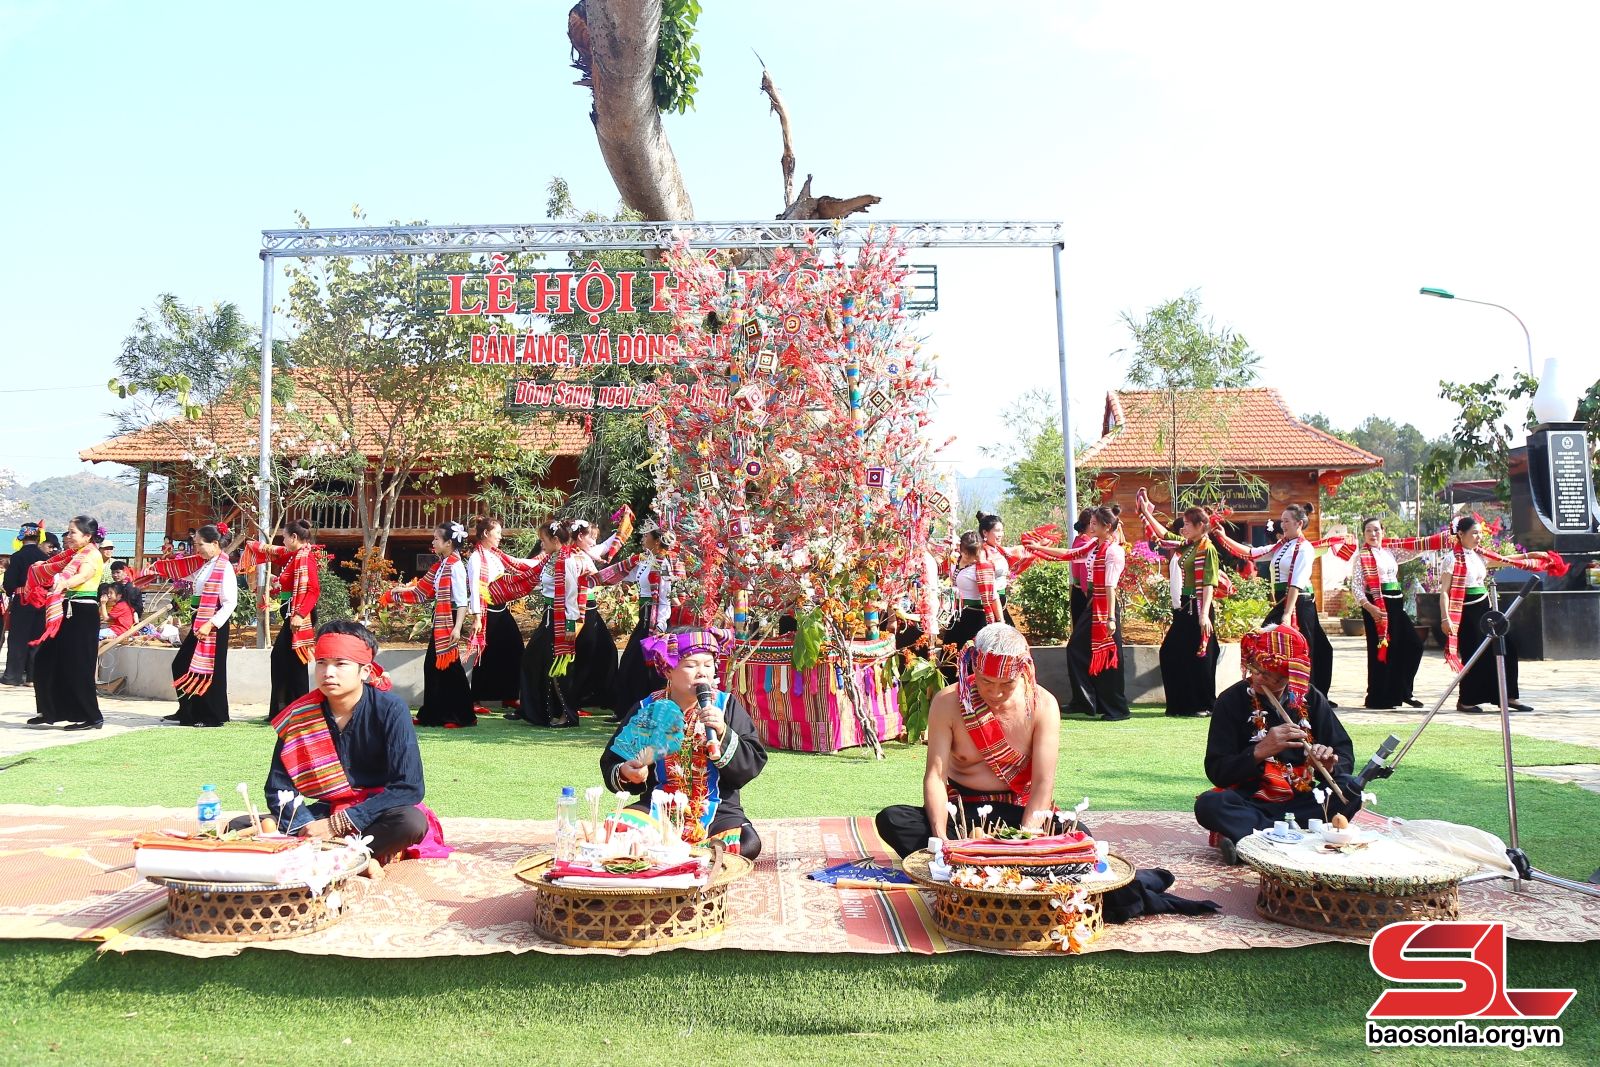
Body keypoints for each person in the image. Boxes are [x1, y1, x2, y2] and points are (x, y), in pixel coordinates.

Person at [243, 620, 448, 872]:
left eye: (340, 664)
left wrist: (338, 824)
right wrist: (307, 827)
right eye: (321, 663)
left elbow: (408, 787)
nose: (328, 673)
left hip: (379, 812)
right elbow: (278, 789)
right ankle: (354, 857)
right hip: (326, 812)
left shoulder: (391, 709)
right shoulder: (300, 715)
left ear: (365, 671)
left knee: (411, 822)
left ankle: (337, 855)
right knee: (243, 824)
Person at [875, 623, 1062, 857]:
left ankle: (983, 854)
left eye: (1007, 684)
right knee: (894, 819)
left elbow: (1043, 783)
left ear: (1024, 672)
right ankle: (967, 852)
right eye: (986, 681)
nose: (995, 693)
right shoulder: (948, 702)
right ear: (973, 665)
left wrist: (1024, 841)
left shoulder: (1043, 705)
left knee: (1076, 833)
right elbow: (935, 776)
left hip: (1017, 812)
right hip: (962, 811)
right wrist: (940, 837)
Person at [1194, 626, 1362, 864]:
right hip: (1251, 800)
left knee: (1350, 790)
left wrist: (1329, 765)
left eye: (1270, 674)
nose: (1258, 677)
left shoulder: (1310, 698)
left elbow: (1343, 752)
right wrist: (1260, 751)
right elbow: (1217, 770)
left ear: (1289, 676)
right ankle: (1293, 837)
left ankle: (1253, 838)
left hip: (1301, 799)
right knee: (1209, 804)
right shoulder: (1231, 700)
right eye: (1255, 669)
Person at [600, 627, 768, 857]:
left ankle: (670, 853)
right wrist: (626, 772)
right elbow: (613, 761)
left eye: (708, 665)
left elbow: (752, 763)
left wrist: (722, 732)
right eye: (691, 665)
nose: (702, 673)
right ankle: (687, 855)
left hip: (718, 809)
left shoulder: (726, 705)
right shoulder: (648, 708)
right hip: (658, 806)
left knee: (747, 843)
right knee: (618, 830)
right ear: (668, 670)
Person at [1210, 503, 1337, 706]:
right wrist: (1223, 538)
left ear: (1299, 523)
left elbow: (1296, 581)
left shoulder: (1304, 548)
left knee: (1305, 648)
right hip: (1283, 602)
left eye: (1286, 521)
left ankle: (1309, 696)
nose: (1282, 524)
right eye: (1282, 520)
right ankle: (1269, 689)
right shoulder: (1282, 545)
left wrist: (1287, 613)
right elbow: (1252, 553)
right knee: (1268, 641)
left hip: (1298, 603)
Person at [1440, 515, 1564, 714]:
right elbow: (1444, 591)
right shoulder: (1451, 559)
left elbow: (1503, 560)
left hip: (1485, 610)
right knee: (1474, 655)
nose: (1478, 537)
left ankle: (1508, 696)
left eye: (1480, 533)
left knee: (1507, 647)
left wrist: (1530, 555)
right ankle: (1467, 700)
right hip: (1465, 612)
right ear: (1461, 535)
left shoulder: (1478, 554)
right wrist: (1445, 618)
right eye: (1474, 533)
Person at [1031, 505, 1130, 721]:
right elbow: (1069, 554)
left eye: (1095, 523)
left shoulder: (1113, 551)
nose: (1090, 526)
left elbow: (1111, 585)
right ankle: (1087, 701)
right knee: (1080, 649)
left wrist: (1111, 618)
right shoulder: (1095, 546)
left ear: (1107, 527)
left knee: (1107, 656)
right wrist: (1038, 548)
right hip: (1094, 605)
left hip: (1105, 608)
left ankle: (1116, 708)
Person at [1135, 492, 1221, 718]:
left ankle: (1204, 704)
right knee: (1172, 653)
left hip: (1198, 606)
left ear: (1200, 525)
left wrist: (1204, 614)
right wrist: (1146, 513)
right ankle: (1183, 704)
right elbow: (1164, 535)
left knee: (1201, 657)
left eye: (1187, 524)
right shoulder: (1188, 545)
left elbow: (1210, 582)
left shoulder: (1207, 548)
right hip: (1185, 607)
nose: (1183, 528)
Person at [382, 522, 474, 728]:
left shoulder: (456, 567)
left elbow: (461, 601)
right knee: (435, 667)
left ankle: (460, 716)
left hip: (449, 619)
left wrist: (457, 628)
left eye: (436, 539)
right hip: (441, 618)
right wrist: (400, 591)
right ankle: (435, 715)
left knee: (450, 668)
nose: (433, 542)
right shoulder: (440, 566)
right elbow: (423, 591)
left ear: (448, 543)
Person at [25, 517, 106, 731]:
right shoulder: (74, 554)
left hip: (82, 612)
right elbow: (54, 567)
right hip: (68, 609)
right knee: (46, 658)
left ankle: (91, 716)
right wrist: (41, 568)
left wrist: (64, 584)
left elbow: (83, 575)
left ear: (87, 536)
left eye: (73, 533)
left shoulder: (92, 555)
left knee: (78, 664)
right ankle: (51, 711)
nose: (68, 536)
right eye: (68, 532)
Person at [1347, 518, 1434, 710]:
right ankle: (1380, 697)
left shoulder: (1390, 552)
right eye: (1368, 530)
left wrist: (1436, 541)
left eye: (1376, 530)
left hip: (1395, 604)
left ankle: (1403, 691)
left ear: (1383, 532)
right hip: (1376, 606)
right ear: (1364, 534)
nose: (1373, 534)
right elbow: (1357, 587)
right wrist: (1370, 608)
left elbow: (1414, 550)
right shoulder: (1361, 557)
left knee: (1413, 646)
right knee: (1382, 651)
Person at [464, 515, 542, 715]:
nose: (500, 536)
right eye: (497, 533)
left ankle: (509, 695)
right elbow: (475, 588)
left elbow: (519, 565)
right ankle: (474, 699)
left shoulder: (496, 554)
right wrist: (477, 618)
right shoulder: (476, 558)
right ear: (486, 534)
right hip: (486, 611)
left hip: (501, 609)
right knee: (484, 655)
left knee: (514, 648)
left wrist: (545, 556)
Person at [602, 526, 680, 721]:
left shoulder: (662, 564)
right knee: (632, 663)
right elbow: (625, 573)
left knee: (646, 666)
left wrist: (660, 624)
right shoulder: (645, 559)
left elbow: (665, 597)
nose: (643, 537)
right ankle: (628, 710)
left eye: (646, 535)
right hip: (645, 616)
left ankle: (648, 711)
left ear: (656, 541)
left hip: (655, 619)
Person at [244, 520, 321, 717]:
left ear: (294, 537)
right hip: (292, 613)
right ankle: (286, 709)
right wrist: (253, 546)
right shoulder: (293, 556)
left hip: (298, 616)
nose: (283, 541)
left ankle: (296, 710)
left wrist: (300, 614)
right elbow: (274, 553)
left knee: (290, 661)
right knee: (285, 660)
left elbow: (313, 590)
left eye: (285, 537)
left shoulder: (305, 558)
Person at [165, 524, 236, 727]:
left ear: (214, 544)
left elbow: (230, 602)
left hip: (213, 624)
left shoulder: (225, 567)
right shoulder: (207, 564)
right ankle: (188, 710)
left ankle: (210, 715)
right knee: (183, 665)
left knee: (207, 670)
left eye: (199, 544)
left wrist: (210, 624)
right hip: (201, 620)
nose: (196, 548)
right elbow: (189, 575)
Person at [556, 518, 622, 715]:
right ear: (580, 537)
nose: (594, 541)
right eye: (590, 537)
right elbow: (570, 594)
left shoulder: (584, 553)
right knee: (583, 655)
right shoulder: (570, 558)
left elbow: (604, 547)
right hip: (580, 612)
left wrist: (622, 530)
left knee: (606, 650)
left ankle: (595, 697)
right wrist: (572, 623)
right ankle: (574, 702)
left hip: (590, 609)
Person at [513, 520, 567, 726]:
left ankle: (564, 714)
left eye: (543, 540)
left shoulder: (566, 560)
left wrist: (571, 625)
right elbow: (526, 568)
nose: (541, 544)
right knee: (536, 661)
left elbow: (571, 594)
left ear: (554, 539)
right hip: (549, 615)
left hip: (559, 618)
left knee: (553, 666)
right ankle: (539, 711)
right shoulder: (550, 559)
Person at [937, 531, 1001, 684]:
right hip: (959, 616)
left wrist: (1000, 622)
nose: (969, 557)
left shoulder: (984, 567)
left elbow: (993, 596)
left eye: (971, 554)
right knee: (951, 656)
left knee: (972, 658)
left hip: (976, 618)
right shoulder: (957, 561)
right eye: (966, 553)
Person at [2, 523, 49, 686]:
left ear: (22, 538)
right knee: (37, 638)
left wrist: (9, 592)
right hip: (42, 601)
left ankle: (13, 676)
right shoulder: (46, 558)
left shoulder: (17, 557)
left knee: (17, 639)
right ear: (38, 538)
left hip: (23, 600)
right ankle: (33, 677)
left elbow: (9, 582)